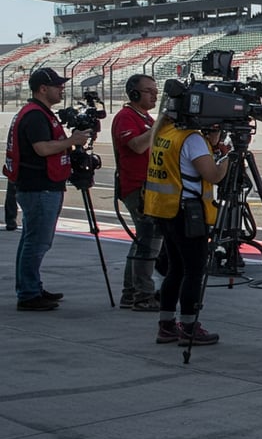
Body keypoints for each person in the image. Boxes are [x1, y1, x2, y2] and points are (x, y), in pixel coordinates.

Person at [6, 68, 92, 311]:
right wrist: (72, 141)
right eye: (57, 86)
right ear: (42, 89)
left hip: (39, 185)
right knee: (37, 242)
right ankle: (28, 294)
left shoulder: (37, 112)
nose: (61, 89)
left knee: (32, 240)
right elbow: (42, 149)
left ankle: (31, 287)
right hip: (39, 187)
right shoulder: (35, 115)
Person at [144, 110, 227, 345]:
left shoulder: (165, 132)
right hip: (188, 213)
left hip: (166, 210)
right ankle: (189, 326)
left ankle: (167, 324)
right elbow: (213, 175)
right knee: (194, 270)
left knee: (176, 269)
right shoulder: (191, 138)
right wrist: (227, 158)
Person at [112, 73, 161, 311]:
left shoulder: (146, 118)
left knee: (144, 239)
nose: (154, 95)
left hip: (148, 186)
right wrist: (160, 126)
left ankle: (131, 292)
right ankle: (143, 294)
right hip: (136, 187)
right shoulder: (126, 117)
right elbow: (138, 145)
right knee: (149, 240)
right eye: (149, 91)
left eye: (155, 91)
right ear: (134, 93)